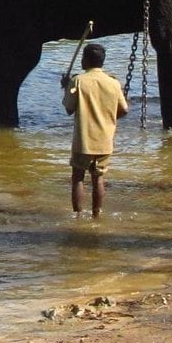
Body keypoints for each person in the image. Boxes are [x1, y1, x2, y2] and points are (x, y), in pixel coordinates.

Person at [60, 43, 128, 218]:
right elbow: (124, 110)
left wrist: (66, 87)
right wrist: (109, 120)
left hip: (83, 140)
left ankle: (78, 215)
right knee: (98, 178)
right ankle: (96, 215)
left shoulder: (78, 81)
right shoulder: (113, 83)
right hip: (105, 140)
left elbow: (68, 108)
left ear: (85, 60)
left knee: (78, 178)